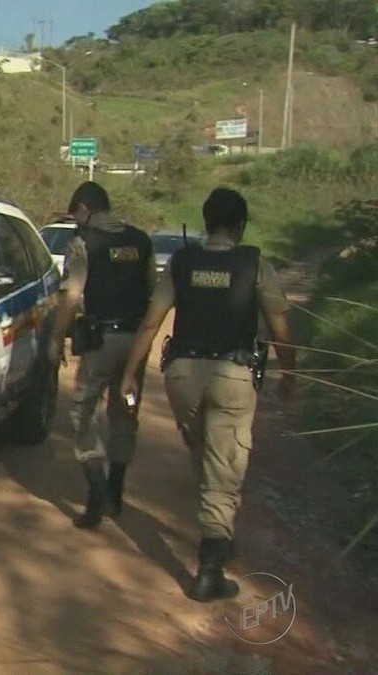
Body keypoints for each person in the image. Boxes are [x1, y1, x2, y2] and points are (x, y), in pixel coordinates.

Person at [120, 187, 296, 602]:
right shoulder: (255, 265)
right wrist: (292, 375)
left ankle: (220, 529)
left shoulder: (182, 263)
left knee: (204, 451)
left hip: (182, 376)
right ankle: (209, 569)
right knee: (225, 465)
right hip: (232, 375)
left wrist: (130, 373)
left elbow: (151, 322)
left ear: (205, 221)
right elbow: (279, 326)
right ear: (241, 225)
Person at [48, 181, 154, 530]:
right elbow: (153, 295)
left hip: (100, 343)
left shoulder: (82, 243)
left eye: (75, 214)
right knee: (125, 413)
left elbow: (71, 296)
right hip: (135, 342)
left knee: (83, 413)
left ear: (84, 210)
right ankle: (115, 490)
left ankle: (99, 494)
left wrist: (57, 338)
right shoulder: (141, 241)